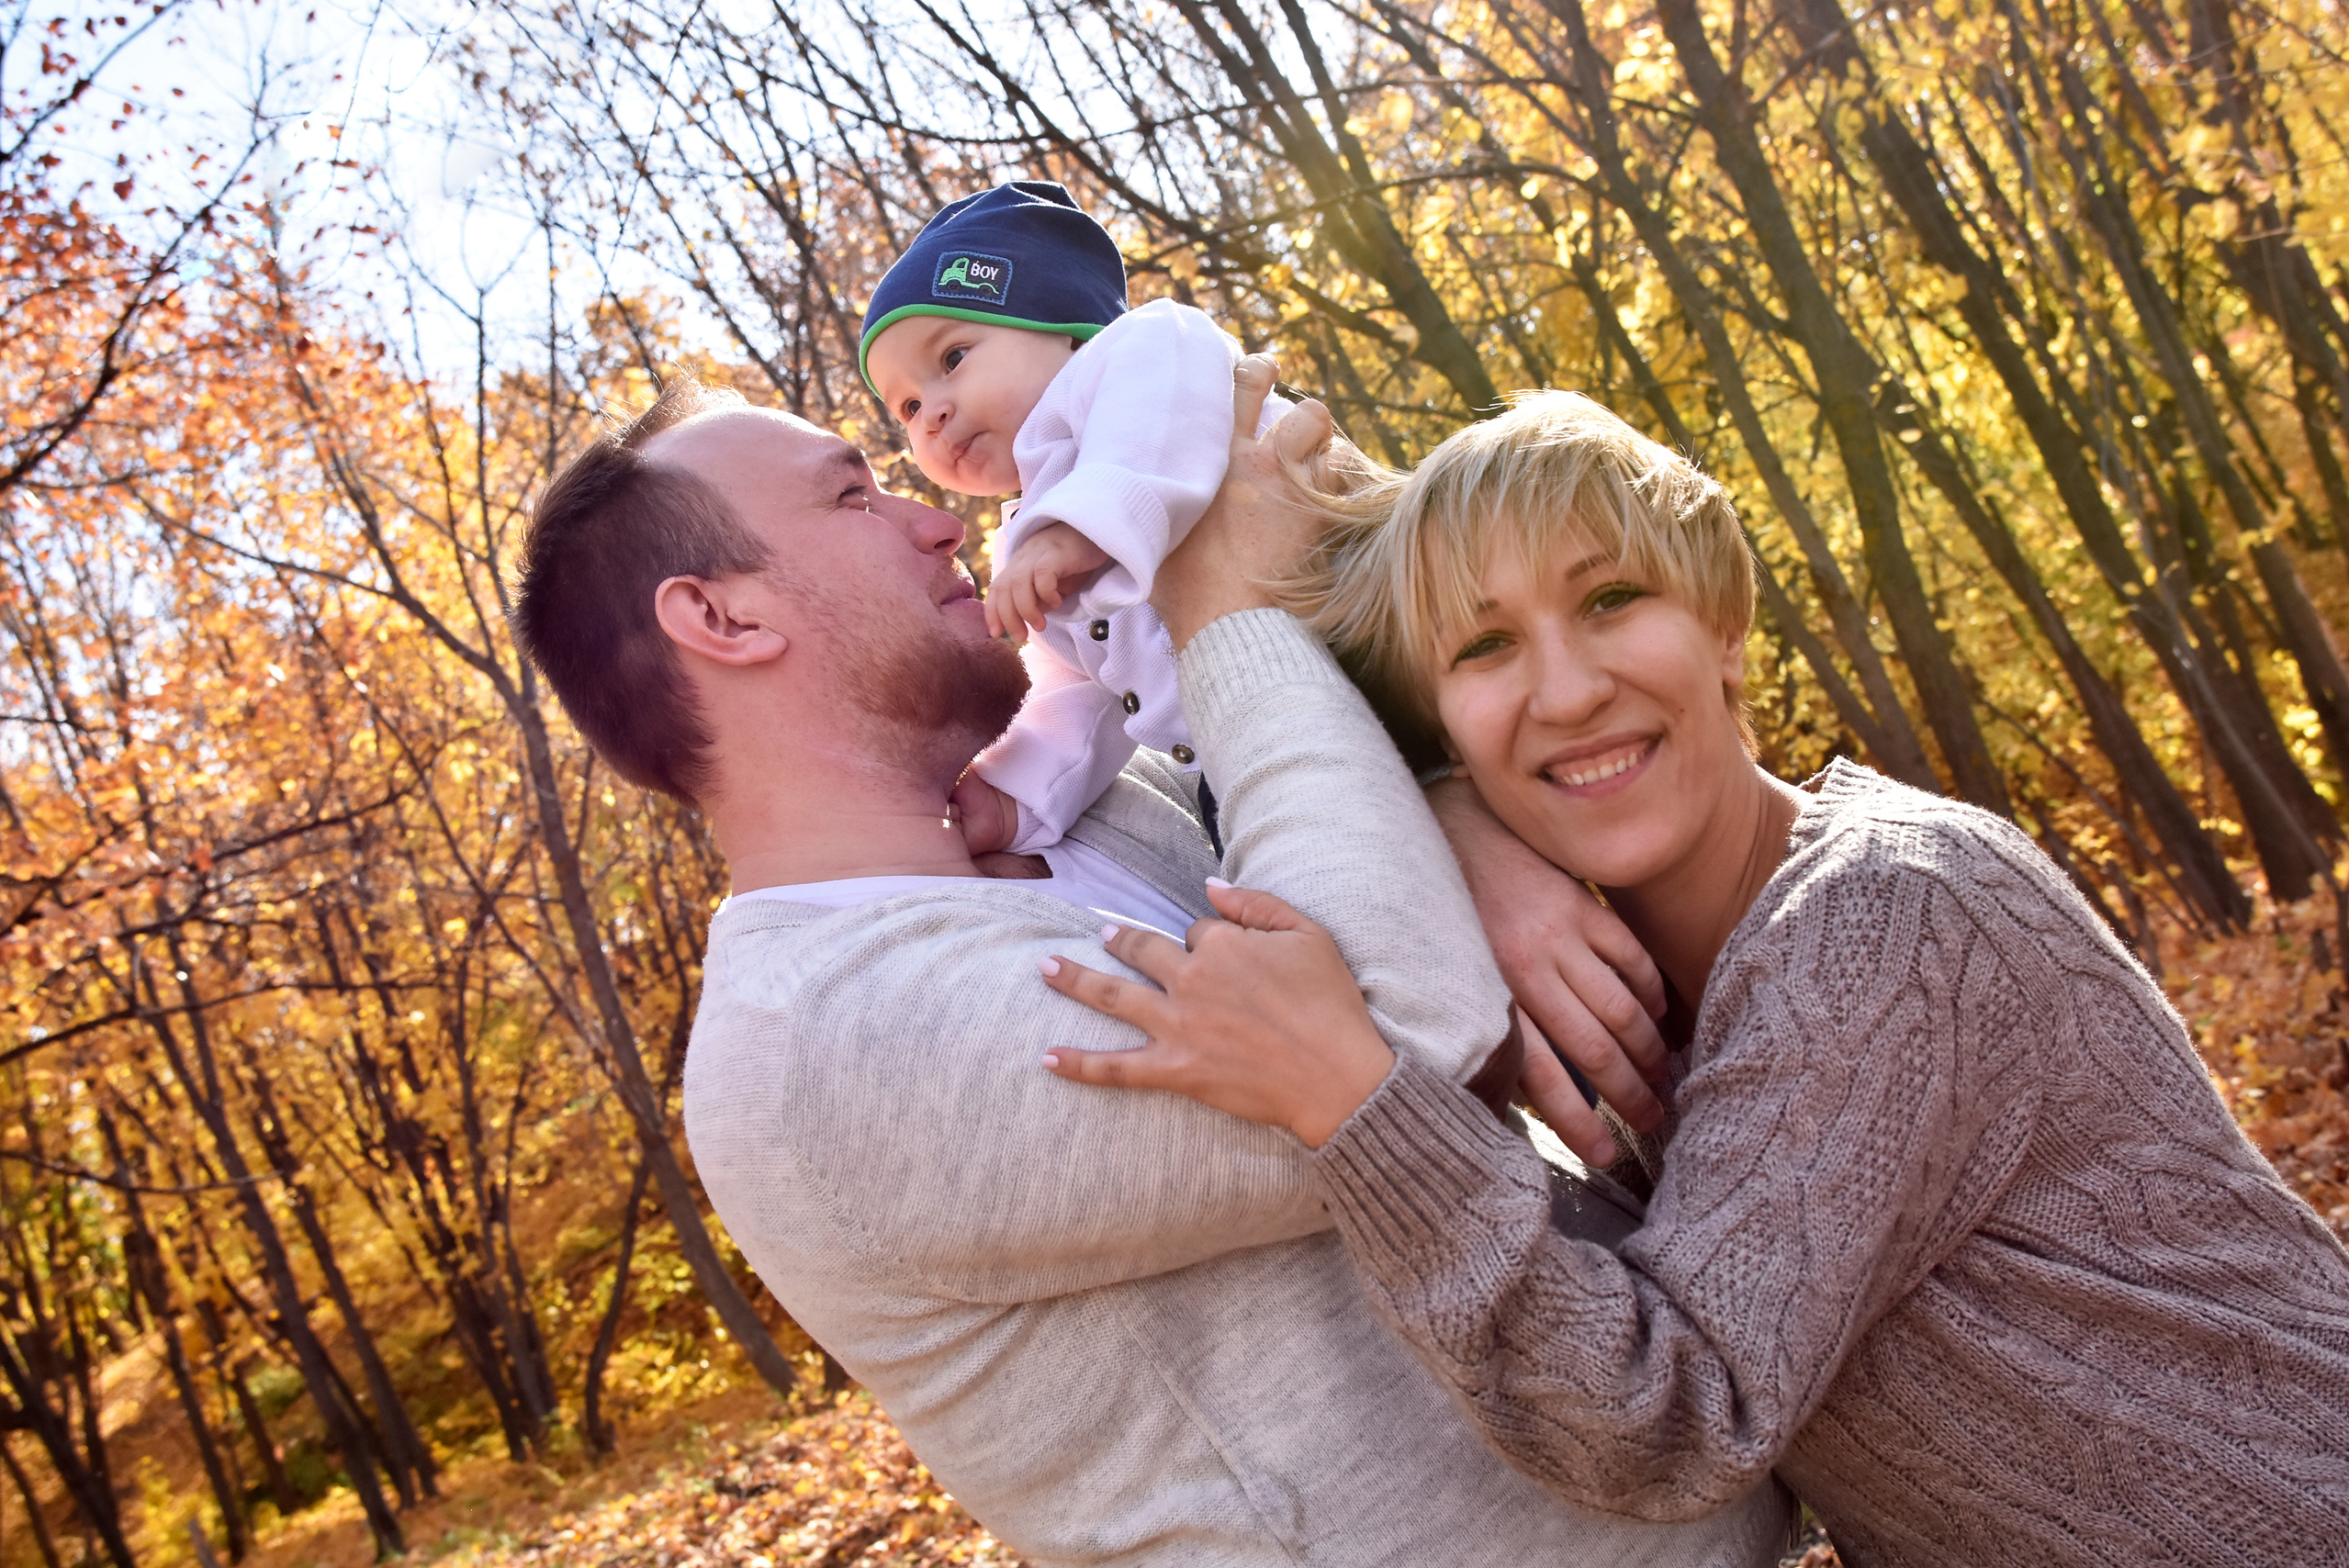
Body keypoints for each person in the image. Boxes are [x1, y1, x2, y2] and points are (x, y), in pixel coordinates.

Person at [508, 366, 1792, 1566]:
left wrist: (1455, 813)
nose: (940, 523)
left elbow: (1338, 828)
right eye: (853, 493)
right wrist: (1224, 605)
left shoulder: (1090, 809)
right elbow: (1400, 1041)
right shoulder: (827, 1045)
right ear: (722, 617)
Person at [1040, 391, 2349, 1566]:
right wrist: (1447, 814)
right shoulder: (1664, 993)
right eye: (1483, 649)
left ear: (1724, 628)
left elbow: (1668, 1418)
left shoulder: (1882, 915)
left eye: (1612, 601)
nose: (1566, 689)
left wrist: (1357, 1101)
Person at [860, 179, 1287, 857]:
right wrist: (1013, 797)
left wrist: (1076, 530)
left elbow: (1162, 420)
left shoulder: (1145, 349)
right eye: (908, 408)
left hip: (1363, 654)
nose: (933, 413)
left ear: (1062, 328)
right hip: (1237, 777)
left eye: (952, 358)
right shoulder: (1027, 546)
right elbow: (1080, 693)